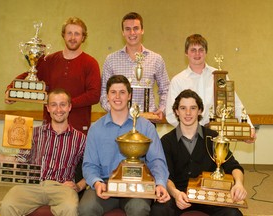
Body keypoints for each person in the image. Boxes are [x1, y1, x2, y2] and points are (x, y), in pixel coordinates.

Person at [79, 75, 170, 216]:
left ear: (129, 96)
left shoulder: (146, 127)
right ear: (107, 96)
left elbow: (157, 160)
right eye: (113, 92)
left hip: (137, 186)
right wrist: (97, 183)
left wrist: (160, 183)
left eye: (122, 92)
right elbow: (89, 164)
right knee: (86, 208)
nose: (117, 97)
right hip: (105, 183)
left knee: (139, 209)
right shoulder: (96, 128)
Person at [0, 89, 87, 216]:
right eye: (54, 104)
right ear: (48, 108)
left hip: (62, 187)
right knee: (7, 206)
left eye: (63, 104)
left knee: (70, 208)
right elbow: (19, 161)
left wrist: (79, 186)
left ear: (69, 107)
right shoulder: (33, 133)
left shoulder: (81, 139)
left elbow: (92, 168)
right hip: (32, 184)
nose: (58, 109)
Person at [151, 89, 247, 216]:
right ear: (176, 111)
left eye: (193, 108)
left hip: (210, 196)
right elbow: (166, 176)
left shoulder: (213, 138)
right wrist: (175, 193)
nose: (188, 113)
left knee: (233, 213)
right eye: (183, 108)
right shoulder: (167, 141)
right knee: (158, 211)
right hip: (179, 195)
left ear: (200, 111)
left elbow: (233, 166)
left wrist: (239, 184)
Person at [5, 17, 101, 134]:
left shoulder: (90, 63)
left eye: (77, 34)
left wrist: (66, 104)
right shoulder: (49, 60)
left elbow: (94, 95)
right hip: (50, 129)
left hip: (78, 129)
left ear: (83, 37)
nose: (72, 38)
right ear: (63, 35)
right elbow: (29, 75)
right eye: (69, 33)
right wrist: (10, 90)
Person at [165, 34, 256, 140]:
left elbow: (234, 104)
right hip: (188, 138)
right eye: (193, 50)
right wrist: (191, 131)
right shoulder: (178, 80)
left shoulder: (219, 76)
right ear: (186, 53)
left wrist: (249, 127)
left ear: (206, 52)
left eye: (201, 50)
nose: (197, 54)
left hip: (216, 137)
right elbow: (171, 114)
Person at [100, 12, 170, 122]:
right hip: (119, 121)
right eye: (127, 29)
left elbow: (166, 89)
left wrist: (162, 109)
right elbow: (104, 92)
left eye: (136, 28)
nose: (132, 33)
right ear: (122, 32)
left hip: (148, 122)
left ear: (142, 30)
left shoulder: (156, 59)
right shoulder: (111, 60)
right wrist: (117, 111)